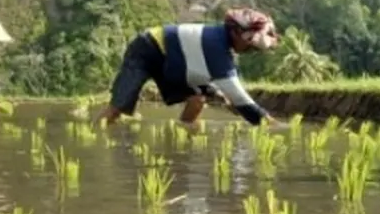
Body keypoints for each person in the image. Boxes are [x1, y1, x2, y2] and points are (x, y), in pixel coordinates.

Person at [95, 8, 281, 128]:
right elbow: (239, 98)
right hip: (146, 48)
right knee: (118, 107)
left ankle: (183, 133)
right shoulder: (216, 46)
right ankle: (94, 135)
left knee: (197, 99)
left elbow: (232, 96)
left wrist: (225, 98)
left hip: (175, 60)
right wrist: (271, 124)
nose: (250, 51)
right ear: (236, 33)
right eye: (250, 46)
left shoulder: (222, 46)